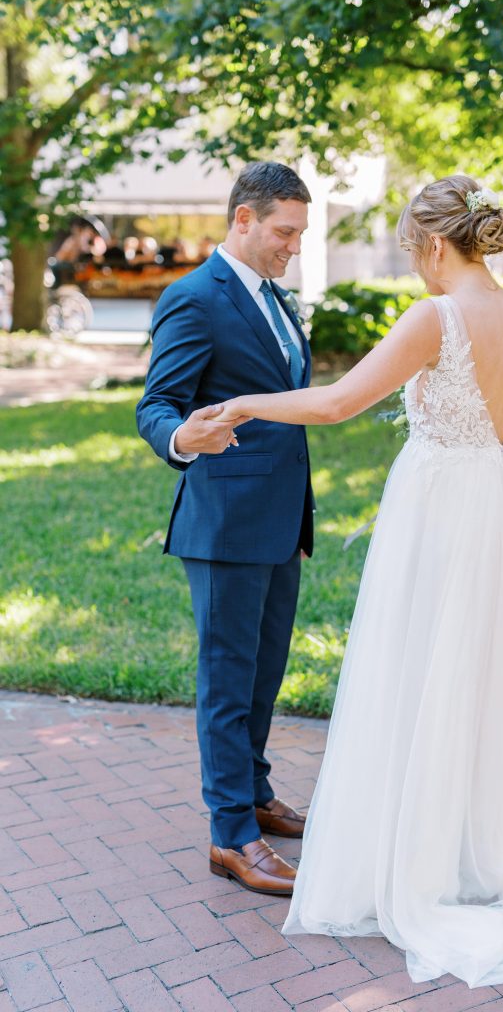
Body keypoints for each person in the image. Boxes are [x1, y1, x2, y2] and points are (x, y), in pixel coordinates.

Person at [212, 174, 503, 987]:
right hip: (501, 512)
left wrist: (243, 406)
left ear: (433, 244)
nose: (416, 270)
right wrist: (482, 464)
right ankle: (474, 848)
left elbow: (336, 404)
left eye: (411, 252)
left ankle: (411, 860)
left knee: (414, 667)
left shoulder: (436, 316)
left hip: (433, 515)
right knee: (477, 674)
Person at [136, 161, 315, 898]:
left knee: (264, 674)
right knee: (226, 683)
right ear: (242, 219)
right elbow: (156, 406)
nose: (292, 247)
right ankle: (230, 836)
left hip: (281, 521)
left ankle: (256, 792)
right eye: (283, 232)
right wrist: (185, 437)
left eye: (300, 234)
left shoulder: (279, 299)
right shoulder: (193, 299)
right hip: (224, 527)